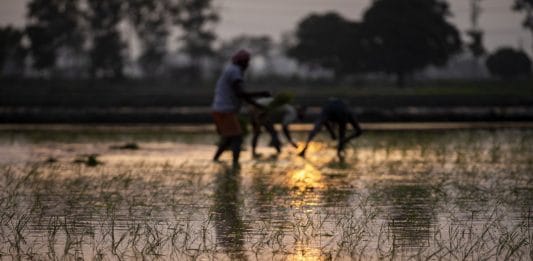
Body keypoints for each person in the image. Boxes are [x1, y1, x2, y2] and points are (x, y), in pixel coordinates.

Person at [211, 49, 270, 167]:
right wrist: (260, 95)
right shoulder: (235, 71)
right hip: (224, 110)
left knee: (228, 138)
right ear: (242, 62)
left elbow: (240, 95)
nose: (248, 65)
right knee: (237, 137)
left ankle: (216, 160)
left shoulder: (232, 70)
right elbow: (240, 93)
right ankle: (235, 165)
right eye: (247, 62)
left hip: (222, 109)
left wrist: (256, 104)